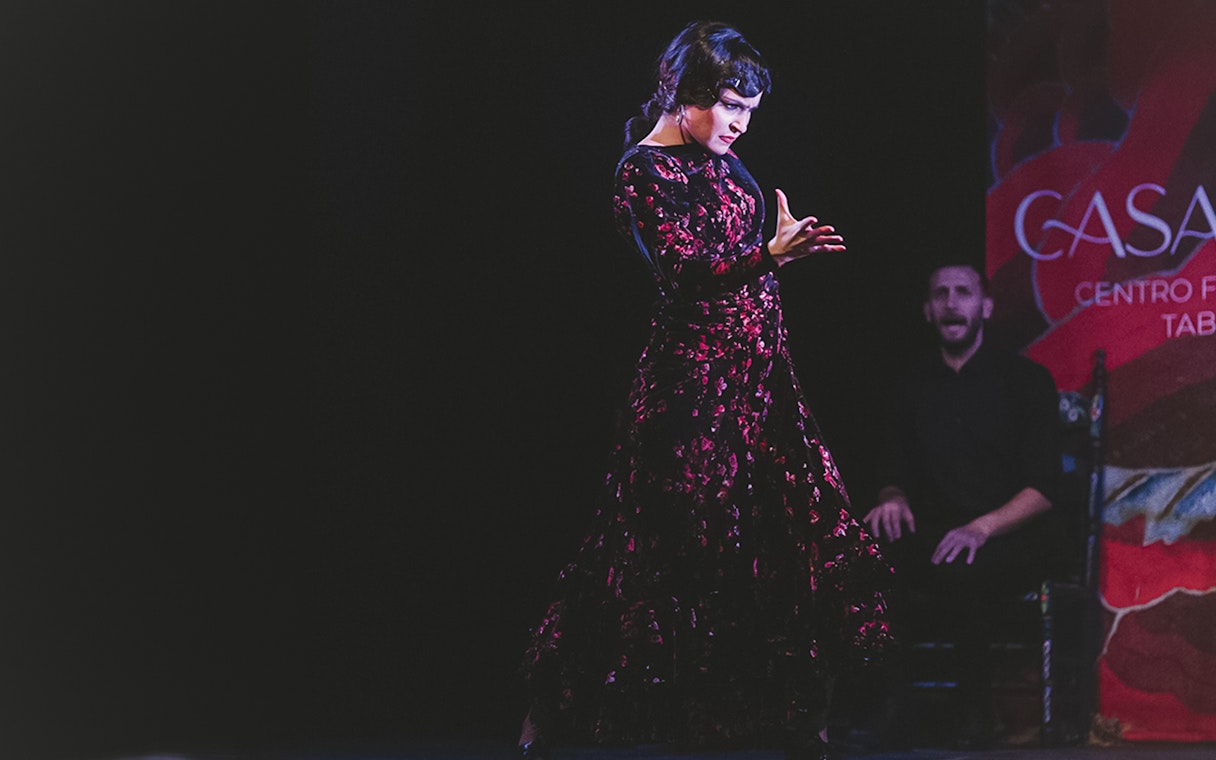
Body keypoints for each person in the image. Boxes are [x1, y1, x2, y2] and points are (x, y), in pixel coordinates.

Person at [516, 20, 893, 760]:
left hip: (760, 385)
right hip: (692, 388)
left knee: (789, 539)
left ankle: (797, 723)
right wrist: (769, 255)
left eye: (750, 110)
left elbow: (744, 261)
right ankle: (550, 715)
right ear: (684, 94)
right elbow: (688, 275)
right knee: (660, 552)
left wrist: (779, 253)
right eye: (730, 105)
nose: (741, 123)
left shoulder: (724, 162)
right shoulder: (643, 171)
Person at [861, 263, 1063, 748]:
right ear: (927, 311)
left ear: (985, 307)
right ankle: (894, 710)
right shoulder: (911, 386)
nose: (952, 302)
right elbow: (892, 472)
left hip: (1008, 533)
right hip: (936, 531)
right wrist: (891, 498)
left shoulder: (1026, 380)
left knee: (967, 567)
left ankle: (974, 712)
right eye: (941, 294)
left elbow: (1045, 488)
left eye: (963, 292)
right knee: (869, 559)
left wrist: (981, 528)